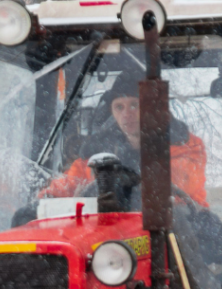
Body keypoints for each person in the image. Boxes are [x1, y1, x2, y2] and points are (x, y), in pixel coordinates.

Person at [41, 70, 208, 207]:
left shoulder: (184, 146)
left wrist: (121, 183)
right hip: (114, 233)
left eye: (134, 105)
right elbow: (71, 183)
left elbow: (174, 184)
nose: (126, 114)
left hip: (177, 228)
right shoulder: (98, 152)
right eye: (119, 107)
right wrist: (46, 199)